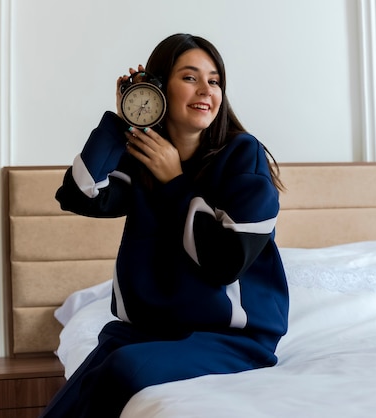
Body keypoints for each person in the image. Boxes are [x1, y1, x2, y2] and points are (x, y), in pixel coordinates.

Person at [40, 33, 289, 418]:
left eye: (215, 80)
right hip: (148, 332)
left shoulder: (243, 157)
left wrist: (175, 183)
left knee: (123, 369)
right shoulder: (143, 157)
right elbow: (79, 194)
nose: (206, 89)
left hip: (232, 339)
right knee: (101, 364)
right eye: (190, 78)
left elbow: (226, 262)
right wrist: (121, 118)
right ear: (158, 88)